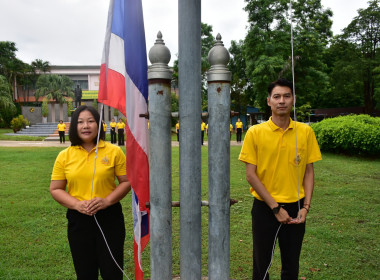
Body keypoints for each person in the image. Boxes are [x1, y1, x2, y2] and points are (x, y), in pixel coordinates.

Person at [238, 78, 322, 280]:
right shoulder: (255, 132)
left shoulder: (305, 131)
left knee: (291, 266)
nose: (281, 101)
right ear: (269, 101)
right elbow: (251, 175)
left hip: (296, 207)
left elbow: (308, 171)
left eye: (286, 96)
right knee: (262, 266)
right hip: (265, 208)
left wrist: (305, 207)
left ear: (294, 99)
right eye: (276, 96)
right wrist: (275, 208)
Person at [50, 105, 131, 279]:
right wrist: (76, 204)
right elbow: (56, 189)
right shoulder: (64, 156)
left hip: (110, 218)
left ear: (99, 124)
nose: (85, 126)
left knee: (112, 272)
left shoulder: (114, 151)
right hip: (79, 220)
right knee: (85, 273)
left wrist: (107, 201)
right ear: (74, 126)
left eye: (90, 121)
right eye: (80, 122)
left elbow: (126, 182)